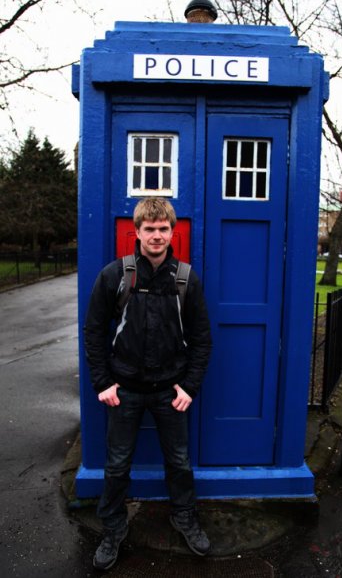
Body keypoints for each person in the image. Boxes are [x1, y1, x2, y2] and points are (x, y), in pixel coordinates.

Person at [84, 197, 212, 571]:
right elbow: (94, 332)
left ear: (172, 232)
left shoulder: (186, 278)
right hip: (123, 391)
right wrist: (103, 383)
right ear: (136, 232)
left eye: (162, 229)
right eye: (149, 229)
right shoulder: (115, 275)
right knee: (117, 464)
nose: (156, 236)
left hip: (171, 391)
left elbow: (202, 339)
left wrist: (189, 386)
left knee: (179, 462)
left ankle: (183, 516)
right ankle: (112, 527)